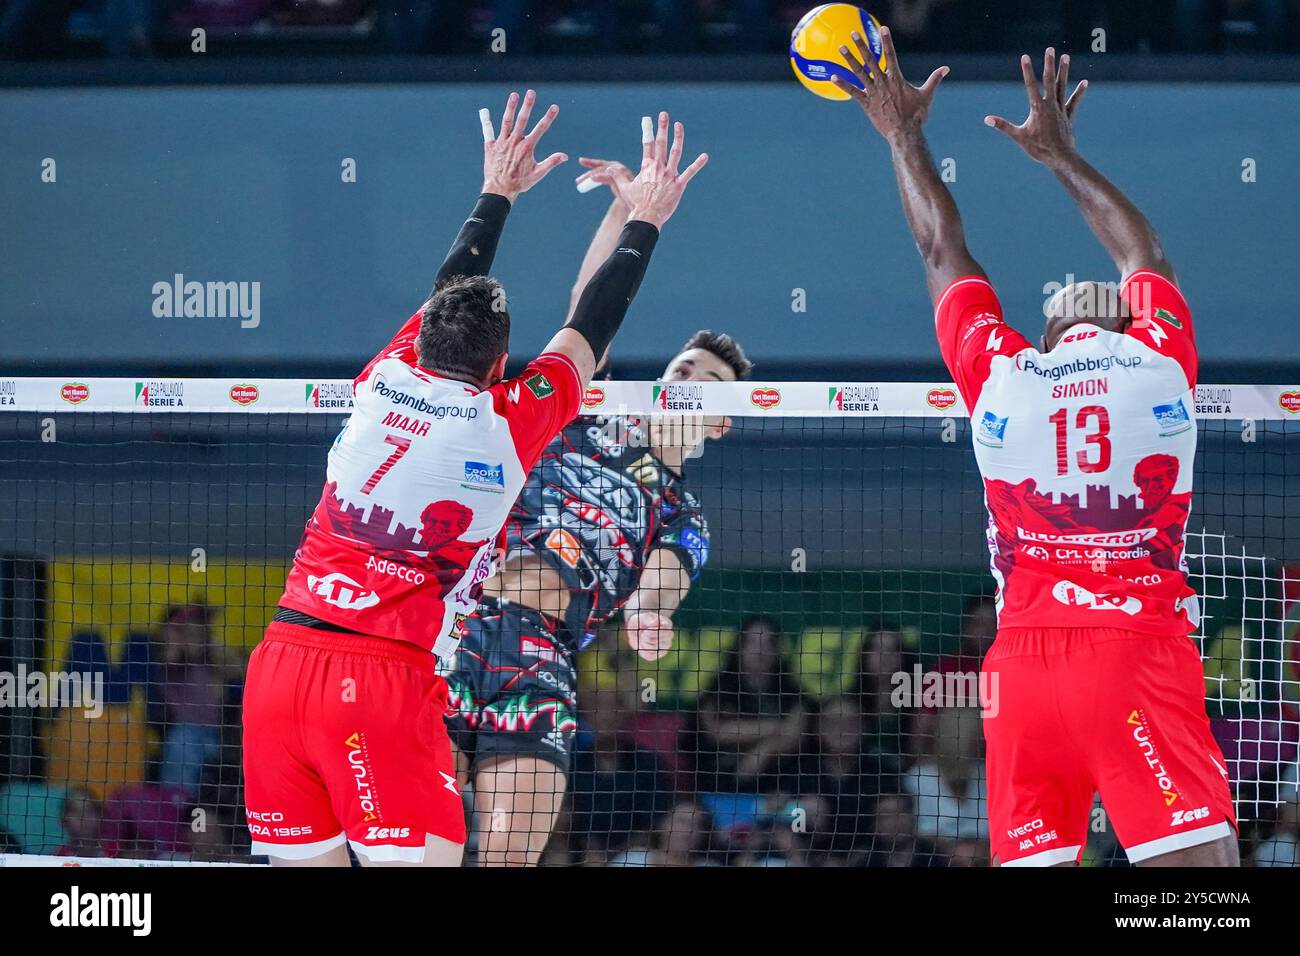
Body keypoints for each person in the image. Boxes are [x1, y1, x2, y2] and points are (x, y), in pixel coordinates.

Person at [241, 90, 709, 867]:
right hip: (383, 680)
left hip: (279, 668)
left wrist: (497, 189)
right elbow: (592, 324)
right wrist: (647, 218)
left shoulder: (382, 377)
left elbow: (452, 280)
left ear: (418, 337)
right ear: (499, 368)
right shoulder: (506, 422)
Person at [833, 34, 1237, 866]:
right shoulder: (1160, 361)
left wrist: (903, 138)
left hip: (1020, 673)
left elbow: (942, 250)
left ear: (1047, 331)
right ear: (1126, 319)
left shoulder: (1004, 375)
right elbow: (1142, 254)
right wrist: (1061, 156)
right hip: (1132, 655)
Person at [442, 150, 748, 866]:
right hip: (457, 624)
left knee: (510, 852)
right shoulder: (589, 416)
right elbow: (587, 321)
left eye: (706, 384)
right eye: (681, 370)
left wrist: (649, 613)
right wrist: (626, 209)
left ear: (722, 421)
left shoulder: (682, 515)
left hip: (541, 655)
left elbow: (663, 581)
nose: (686, 382)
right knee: (417, 838)